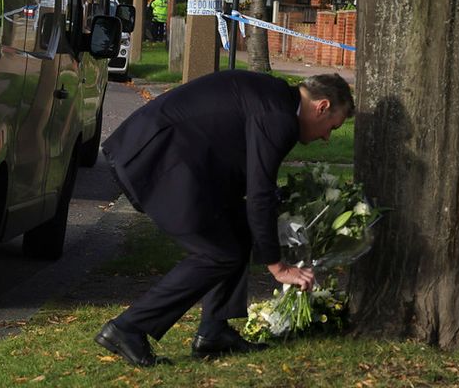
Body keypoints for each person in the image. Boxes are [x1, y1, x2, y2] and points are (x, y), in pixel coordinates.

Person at [94, 71, 354, 367]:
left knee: (236, 234)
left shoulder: (277, 99)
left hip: (170, 155)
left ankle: (213, 332)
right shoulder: (278, 117)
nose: (326, 137)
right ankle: (128, 328)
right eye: (332, 126)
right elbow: (259, 192)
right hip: (158, 158)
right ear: (321, 106)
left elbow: (250, 175)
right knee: (217, 253)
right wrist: (277, 266)